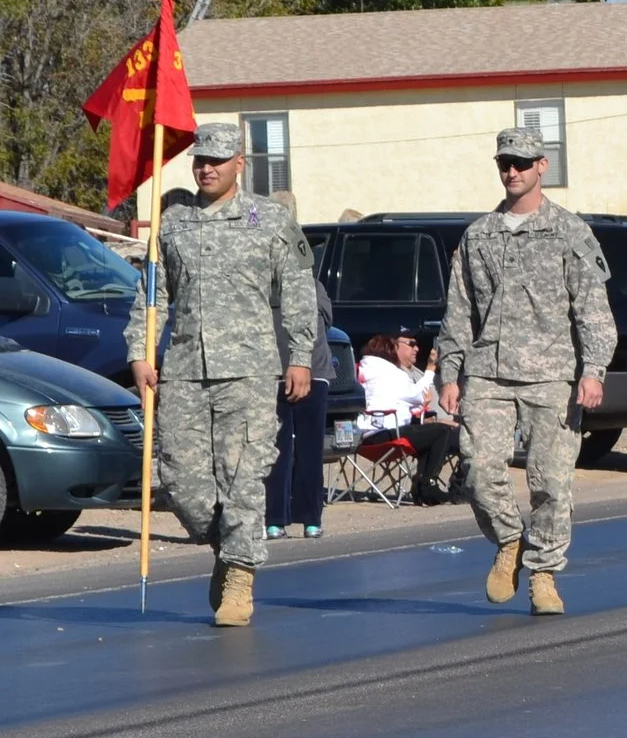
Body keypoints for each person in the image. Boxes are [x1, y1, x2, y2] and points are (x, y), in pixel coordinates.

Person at [127, 122, 317, 628]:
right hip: (187, 370)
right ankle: (228, 545)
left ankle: (239, 574)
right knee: (180, 480)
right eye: (199, 160)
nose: (206, 168)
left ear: (240, 163)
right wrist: (139, 352)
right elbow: (152, 295)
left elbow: (298, 291)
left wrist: (300, 355)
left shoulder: (269, 220)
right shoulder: (173, 221)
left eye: (216, 160)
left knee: (243, 478)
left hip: (250, 372)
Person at [438, 127, 619, 617]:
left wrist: (593, 369)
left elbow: (592, 309)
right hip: (488, 373)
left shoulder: (569, 231)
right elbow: (459, 311)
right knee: (477, 472)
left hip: (551, 374)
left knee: (550, 481)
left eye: (521, 162)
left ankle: (543, 574)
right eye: (504, 163)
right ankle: (509, 540)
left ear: (542, 165)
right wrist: (449, 374)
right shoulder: (478, 235)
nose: (512, 171)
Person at [353, 330, 461, 505]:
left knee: (433, 434)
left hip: (366, 437)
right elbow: (419, 396)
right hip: (386, 433)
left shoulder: (364, 370)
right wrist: (431, 368)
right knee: (441, 432)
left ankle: (423, 486)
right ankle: (427, 484)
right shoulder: (390, 373)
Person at [264, 282, 336, 538]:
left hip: (275, 370)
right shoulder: (312, 284)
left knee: (276, 450)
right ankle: (311, 520)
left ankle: (274, 521)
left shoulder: (264, 283)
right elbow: (327, 319)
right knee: (310, 450)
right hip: (313, 369)